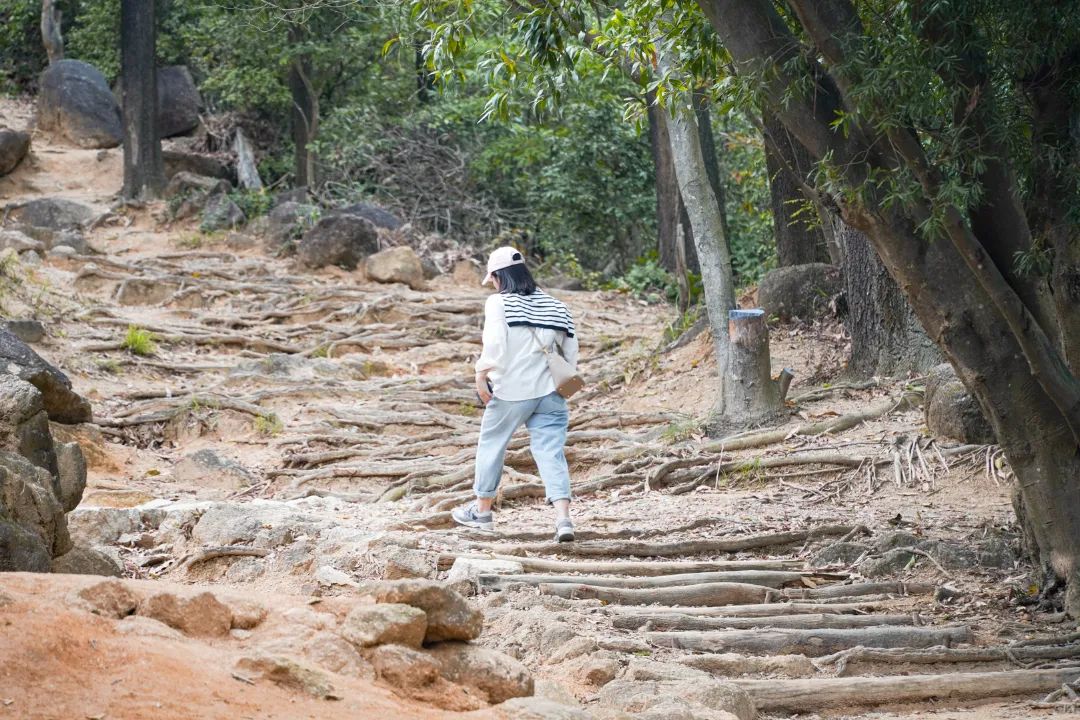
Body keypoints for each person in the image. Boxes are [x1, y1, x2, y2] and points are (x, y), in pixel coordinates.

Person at [451, 246, 579, 541]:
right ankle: (563, 519)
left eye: (493, 279)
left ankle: (482, 512)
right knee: (550, 452)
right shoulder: (559, 306)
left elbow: (494, 346)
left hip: (511, 392)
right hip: (551, 392)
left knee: (492, 446)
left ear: (498, 277)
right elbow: (571, 354)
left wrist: (480, 375)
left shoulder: (499, 304)